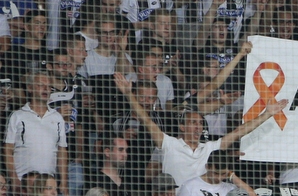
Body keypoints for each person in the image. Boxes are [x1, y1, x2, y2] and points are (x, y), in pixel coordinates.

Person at [114, 72, 286, 186]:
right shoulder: (169, 144)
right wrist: (129, 94)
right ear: (182, 127)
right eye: (193, 122)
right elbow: (145, 119)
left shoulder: (209, 148)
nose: (198, 127)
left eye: (200, 124)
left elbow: (238, 132)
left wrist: (267, 114)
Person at [4, 71, 68, 196]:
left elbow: (62, 151)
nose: (46, 89)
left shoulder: (57, 117)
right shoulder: (18, 116)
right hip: (24, 183)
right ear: (30, 88)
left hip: (48, 185)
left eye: (48, 86)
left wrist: (64, 182)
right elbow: (7, 150)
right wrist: (14, 179)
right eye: (40, 85)